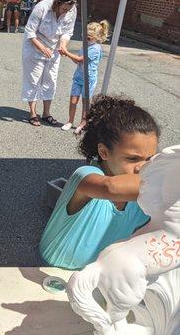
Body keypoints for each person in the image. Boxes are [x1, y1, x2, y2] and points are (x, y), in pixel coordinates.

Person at [39, 95, 159, 269]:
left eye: (150, 159)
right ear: (103, 152)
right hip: (53, 269)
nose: (142, 167)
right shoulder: (86, 176)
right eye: (133, 159)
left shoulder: (142, 196)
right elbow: (110, 188)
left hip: (98, 272)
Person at [21, 0, 78, 127]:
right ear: (58, 3)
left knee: (50, 80)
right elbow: (30, 32)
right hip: (35, 47)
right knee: (33, 80)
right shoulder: (42, 7)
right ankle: (33, 113)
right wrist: (42, 47)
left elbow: (67, 32)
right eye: (64, 8)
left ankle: (46, 113)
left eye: (68, 9)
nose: (65, 11)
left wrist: (63, 45)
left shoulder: (72, 10)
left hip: (53, 49)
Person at [61, 20, 111, 134]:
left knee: (85, 102)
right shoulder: (84, 46)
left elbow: (80, 59)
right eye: (85, 37)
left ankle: (83, 123)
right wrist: (68, 55)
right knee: (73, 100)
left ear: (96, 37)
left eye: (88, 38)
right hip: (78, 77)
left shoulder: (95, 49)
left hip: (89, 79)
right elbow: (78, 62)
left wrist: (66, 52)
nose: (86, 40)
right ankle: (70, 121)